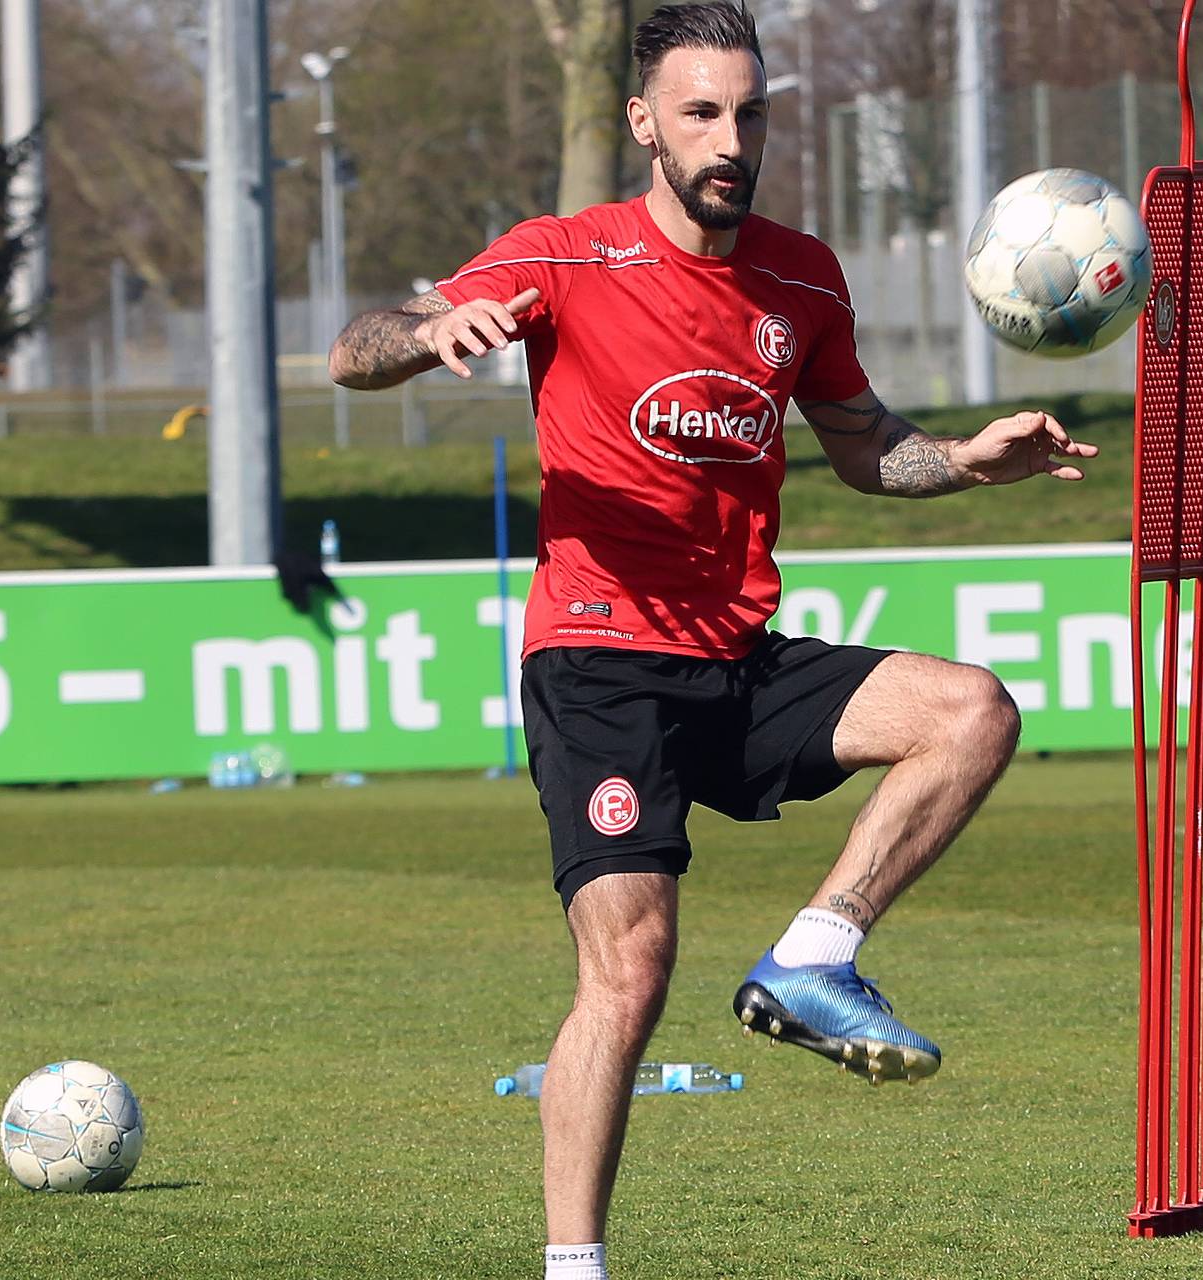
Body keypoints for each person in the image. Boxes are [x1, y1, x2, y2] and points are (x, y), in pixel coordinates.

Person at [328, 5, 1094, 1276]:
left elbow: (862, 447)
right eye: (700, 112)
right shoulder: (560, 257)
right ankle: (575, 1268)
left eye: (749, 112)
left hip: (737, 652)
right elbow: (352, 353)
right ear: (645, 123)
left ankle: (814, 954)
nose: (729, 138)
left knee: (972, 711)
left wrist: (961, 459)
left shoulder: (802, 276)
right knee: (631, 970)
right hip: (597, 657)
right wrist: (424, 333)